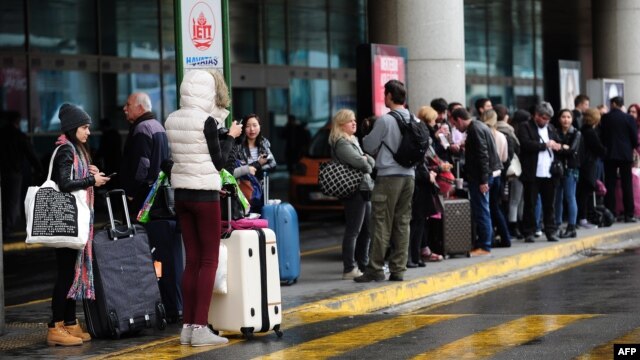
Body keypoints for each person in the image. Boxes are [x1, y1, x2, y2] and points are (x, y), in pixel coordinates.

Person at [165, 69, 233, 347]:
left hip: (181, 195)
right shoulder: (206, 121)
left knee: (191, 261)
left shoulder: (171, 119)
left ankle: (187, 328)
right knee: (208, 261)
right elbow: (220, 162)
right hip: (205, 196)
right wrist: (230, 137)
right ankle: (200, 328)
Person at [47, 103, 110, 346]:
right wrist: (90, 180)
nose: (88, 132)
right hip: (65, 220)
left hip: (73, 220)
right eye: (84, 127)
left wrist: (90, 173)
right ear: (73, 128)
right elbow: (65, 183)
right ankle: (55, 326)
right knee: (65, 273)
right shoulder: (66, 149)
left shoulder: (76, 150)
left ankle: (70, 321)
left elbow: (74, 177)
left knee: (71, 273)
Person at [356, 80, 415, 283]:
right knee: (403, 221)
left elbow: (369, 145)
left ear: (390, 95)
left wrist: (365, 133)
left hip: (389, 176)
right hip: (409, 177)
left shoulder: (385, 120)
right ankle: (398, 269)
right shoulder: (413, 118)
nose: (384, 97)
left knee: (380, 222)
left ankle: (375, 269)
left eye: (385, 94)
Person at [328, 109, 375, 279]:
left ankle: (364, 264)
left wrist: (365, 160)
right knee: (354, 230)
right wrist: (365, 160)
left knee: (367, 230)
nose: (354, 123)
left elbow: (367, 162)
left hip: (364, 188)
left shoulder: (352, 139)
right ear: (341, 125)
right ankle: (349, 268)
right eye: (350, 121)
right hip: (354, 190)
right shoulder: (341, 143)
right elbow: (363, 164)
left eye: (354, 120)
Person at [450, 108, 502, 256]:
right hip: (482, 176)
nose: (456, 128)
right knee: (483, 210)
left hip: (480, 178)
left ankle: (485, 246)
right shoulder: (479, 126)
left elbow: (482, 155)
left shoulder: (475, 129)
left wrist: (483, 180)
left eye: (455, 124)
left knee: (482, 211)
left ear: (459, 119)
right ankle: (485, 243)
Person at [516, 102, 562, 243]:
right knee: (530, 204)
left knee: (550, 205)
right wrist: (544, 145)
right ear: (536, 115)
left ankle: (550, 231)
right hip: (532, 172)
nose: (546, 121)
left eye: (548, 119)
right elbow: (525, 144)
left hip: (549, 172)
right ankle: (529, 231)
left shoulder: (551, 128)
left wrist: (558, 145)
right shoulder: (525, 127)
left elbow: (559, 142)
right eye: (543, 118)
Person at [120, 92, 170, 219]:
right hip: (157, 193)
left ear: (140, 108)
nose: (124, 108)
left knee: (139, 233)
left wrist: (132, 192)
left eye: (128, 105)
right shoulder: (158, 126)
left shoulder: (142, 128)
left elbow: (142, 164)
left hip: (143, 195)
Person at [0, 111, 43, 238]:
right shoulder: (19, 136)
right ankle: (7, 228)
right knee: (12, 201)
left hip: (2, 171)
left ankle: (5, 226)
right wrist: (39, 169)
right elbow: (31, 154)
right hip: (14, 172)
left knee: (3, 200)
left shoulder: (1, 134)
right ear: (17, 121)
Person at [600, 96, 639, 222]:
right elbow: (634, 138)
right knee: (627, 185)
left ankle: (611, 212)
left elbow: (602, 136)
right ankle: (629, 214)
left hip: (610, 155)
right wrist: (630, 148)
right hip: (625, 155)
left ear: (614, 104)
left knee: (610, 184)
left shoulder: (606, 118)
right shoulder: (629, 118)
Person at [229, 113, 276, 213]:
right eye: (248, 126)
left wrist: (258, 169)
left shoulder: (264, 143)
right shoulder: (237, 146)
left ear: (260, 127)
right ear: (243, 128)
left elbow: (272, 164)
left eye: (255, 125)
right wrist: (258, 164)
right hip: (243, 189)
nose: (252, 129)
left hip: (261, 189)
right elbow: (235, 169)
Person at [480, 109, 512, 248]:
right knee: (495, 207)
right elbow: (505, 158)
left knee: (485, 208)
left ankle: (489, 239)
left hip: (485, 175)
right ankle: (505, 237)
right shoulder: (500, 136)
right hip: (498, 175)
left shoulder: (481, 134)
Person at [553, 109, 582, 238]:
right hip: (557, 169)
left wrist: (561, 147)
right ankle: (557, 225)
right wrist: (562, 147)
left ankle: (571, 227)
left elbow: (572, 150)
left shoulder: (576, 133)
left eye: (568, 117)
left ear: (572, 119)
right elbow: (554, 149)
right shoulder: (554, 132)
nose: (566, 119)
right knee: (557, 198)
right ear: (559, 119)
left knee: (570, 197)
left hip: (571, 168)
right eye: (563, 117)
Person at [576, 109, 607, 228]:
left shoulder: (583, 129)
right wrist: (606, 150)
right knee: (585, 192)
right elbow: (599, 148)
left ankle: (583, 218)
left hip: (584, 164)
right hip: (588, 165)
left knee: (583, 192)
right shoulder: (590, 132)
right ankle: (583, 218)